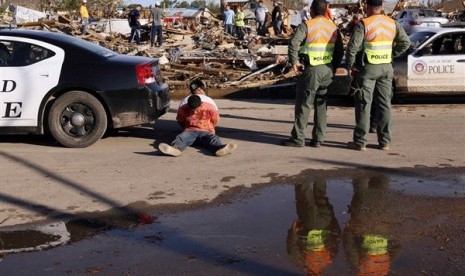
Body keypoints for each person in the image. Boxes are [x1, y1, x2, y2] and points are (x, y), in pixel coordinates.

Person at [345, 0, 410, 151]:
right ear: (381, 7)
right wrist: (392, 54)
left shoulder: (365, 23)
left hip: (368, 68)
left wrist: (351, 65)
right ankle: (385, 142)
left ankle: (360, 142)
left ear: (368, 7)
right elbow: (405, 43)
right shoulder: (392, 23)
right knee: (384, 105)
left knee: (363, 104)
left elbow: (353, 47)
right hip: (386, 68)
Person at [281, 0, 344, 148]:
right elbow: (340, 51)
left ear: (312, 11)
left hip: (312, 70)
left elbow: (294, 44)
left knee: (304, 104)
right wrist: (333, 67)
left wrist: (294, 62)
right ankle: (318, 139)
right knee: (321, 105)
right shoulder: (333, 27)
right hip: (327, 70)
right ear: (325, 10)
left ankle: (298, 138)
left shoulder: (307, 26)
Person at [158, 94, 237, 157]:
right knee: (181, 138)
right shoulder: (183, 108)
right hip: (190, 131)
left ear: (201, 104)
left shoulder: (210, 108)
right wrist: (185, 129)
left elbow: (215, 121)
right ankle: (175, 149)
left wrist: (210, 129)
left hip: (206, 131)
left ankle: (219, 149)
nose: (195, 112)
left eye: (197, 110)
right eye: (192, 110)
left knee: (213, 139)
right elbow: (180, 121)